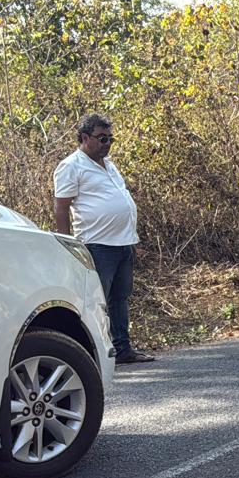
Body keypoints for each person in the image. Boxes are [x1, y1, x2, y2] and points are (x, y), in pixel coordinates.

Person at [53, 114, 155, 364]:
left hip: (123, 243)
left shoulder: (109, 165)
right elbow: (61, 207)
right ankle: (92, 355)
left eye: (110, 138)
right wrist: (67, 245)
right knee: (95, 302)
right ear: (84, 137)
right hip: (97, 245)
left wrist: (131, 239)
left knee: (120, 298)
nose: (107, 143)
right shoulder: (71, 166)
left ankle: (122, 349)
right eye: (101, 138)